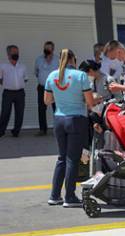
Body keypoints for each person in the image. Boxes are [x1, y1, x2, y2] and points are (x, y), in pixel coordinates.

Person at [44, 49, 96, 207]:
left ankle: (54, 196)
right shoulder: (81, 76)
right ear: (73, 59)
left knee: (61, 158)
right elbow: (90, 102)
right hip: (76, 120)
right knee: (72, 159)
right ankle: (70, 197)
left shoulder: (52, 75)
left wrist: (61, 98)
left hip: (59, 119)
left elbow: (47, 101)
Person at [0, 45, 28, 138]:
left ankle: (16, 131)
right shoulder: (3, 66)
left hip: (20, 93)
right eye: (14, 52)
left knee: (20, 113)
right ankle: (1, 131)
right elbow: (0, 79)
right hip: (8, 93)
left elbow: (25, 79)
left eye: (17, 52)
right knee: (5, 113)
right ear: (8, 54)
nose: (16, 54)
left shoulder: (23, 67)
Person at [34, 41, 58, 136]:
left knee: (56, 109)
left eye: (49, 48)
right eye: (45, 48)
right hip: (42, 88)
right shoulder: (39, 59)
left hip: (54, 88)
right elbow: (36, 72)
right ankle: (42, 129)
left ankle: (58, 128)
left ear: (53, 49)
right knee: (41, 108)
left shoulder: (57, 60)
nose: (47, 50)